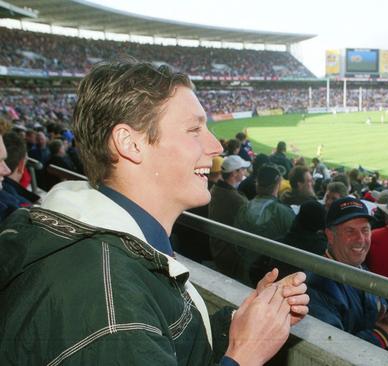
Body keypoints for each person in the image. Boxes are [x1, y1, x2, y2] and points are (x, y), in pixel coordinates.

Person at [0, 62, 308, 366]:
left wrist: (242, 323)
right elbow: (127, 334)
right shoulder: (109, 304)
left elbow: (166, 343)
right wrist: (244, 356)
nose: (215, 146)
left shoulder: (116, 249)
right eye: (194, 129)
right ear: (130, 143)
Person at [307, 197, 388, 349]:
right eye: (350, 231)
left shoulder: (360, 268)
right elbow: (331, 352)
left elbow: (375, 317)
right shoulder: (317, 285)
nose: (360, 239)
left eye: (365, 230)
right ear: (330, 235)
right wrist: (382, 334)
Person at [235, 165, 296, 286]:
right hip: (272, 277)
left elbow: (238, 244)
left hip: (246, 271)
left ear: (257, 184)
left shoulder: (244, 208)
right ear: (278, 182)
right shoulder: (284, 212)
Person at [208, 155, 250, 278]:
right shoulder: (237, 200)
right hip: (228, 254)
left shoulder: (216, 188)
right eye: (242, 169)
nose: (244, 172)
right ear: (234, 173)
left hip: (217, 247)